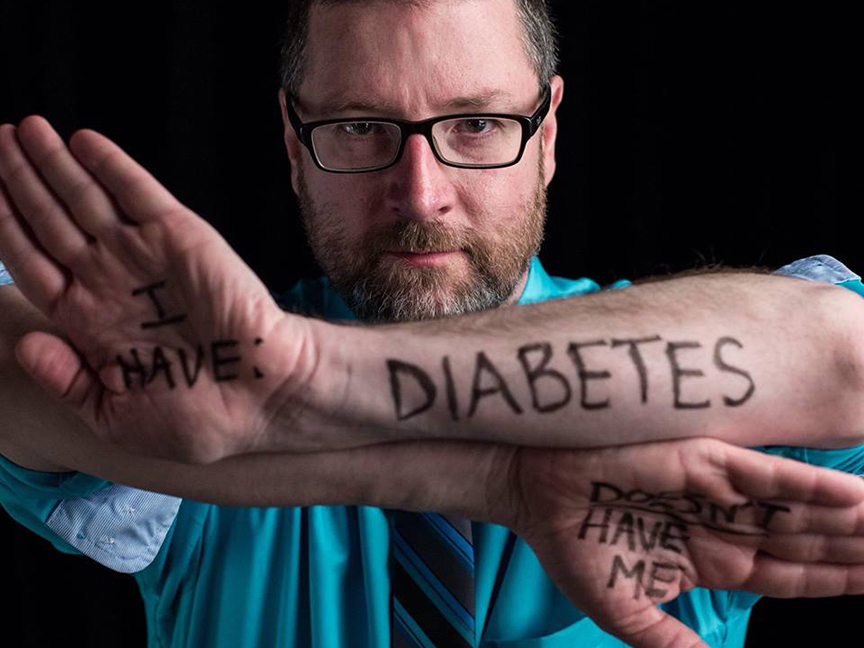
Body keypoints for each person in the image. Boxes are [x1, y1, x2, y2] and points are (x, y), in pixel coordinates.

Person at [1, 1, 864, 647]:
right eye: (361, 127)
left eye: (478, 123)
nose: (419, 194)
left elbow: (845, 355)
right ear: (294, 145)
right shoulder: (204, 366)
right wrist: (498, 481)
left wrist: (309, 382)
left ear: (550, 131)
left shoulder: (251, 374)